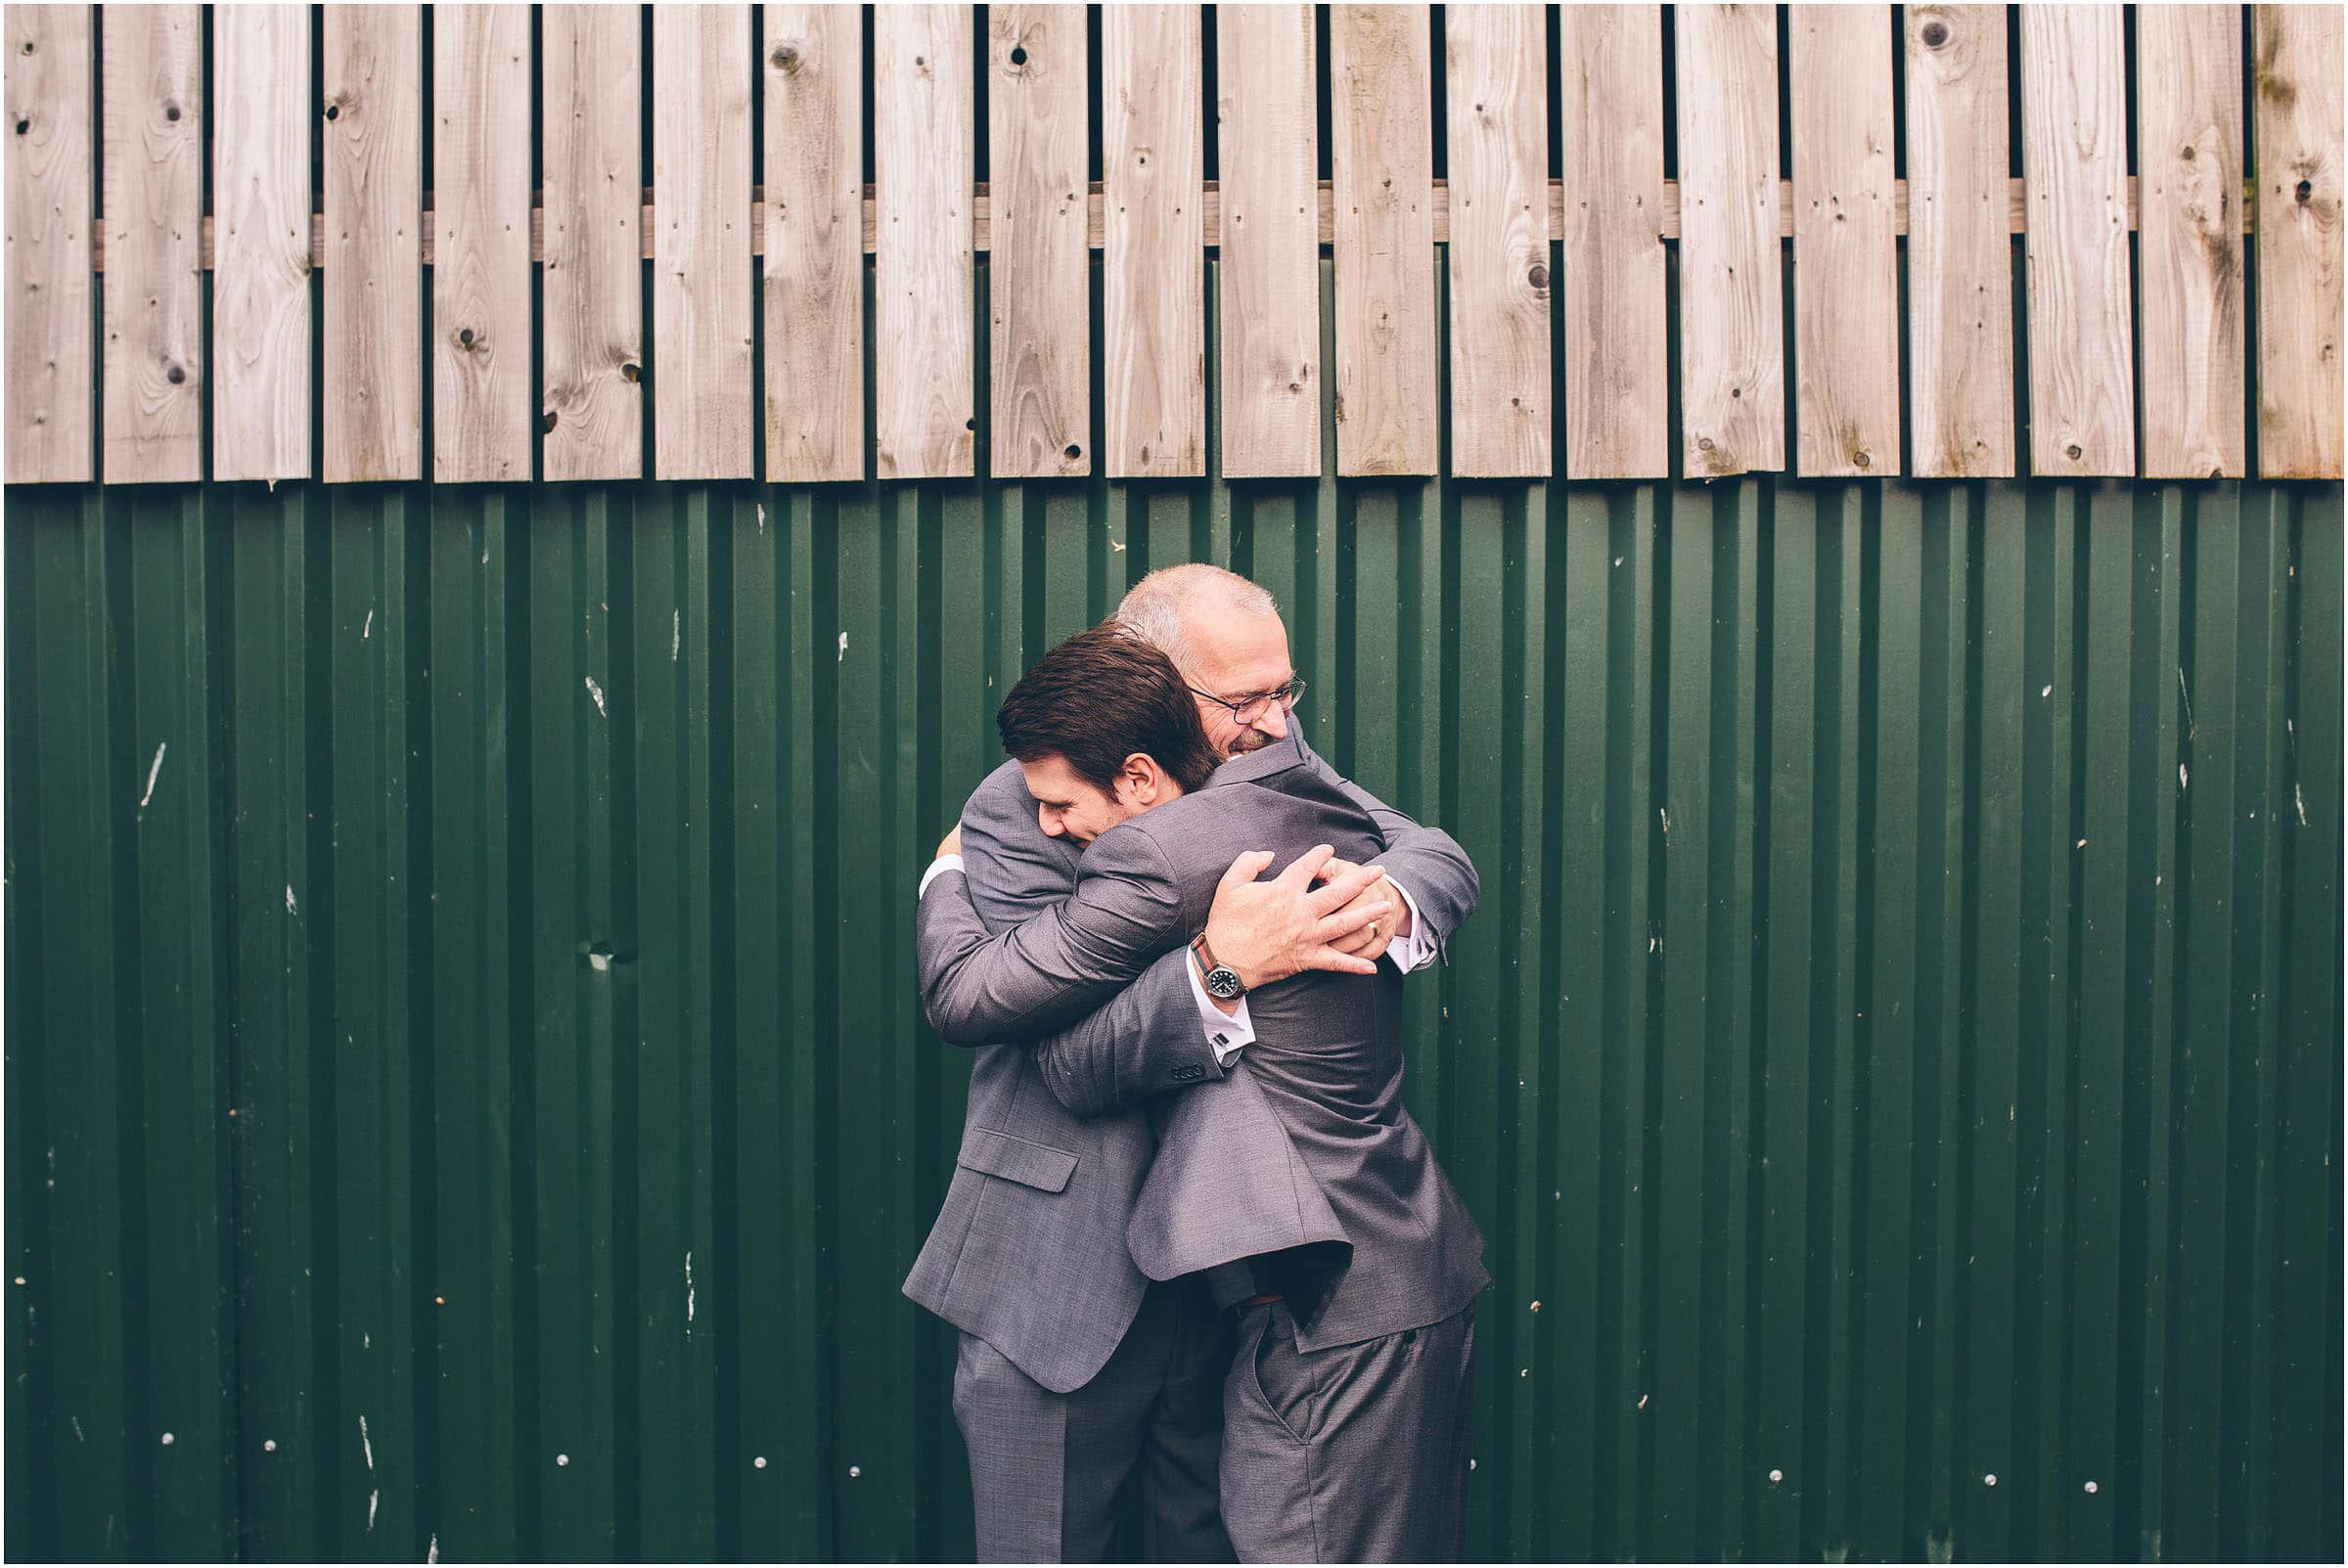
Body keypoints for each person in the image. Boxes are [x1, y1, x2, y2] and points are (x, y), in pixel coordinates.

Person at [904, 564, 1476, 1563]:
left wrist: (1391, 898)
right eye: (1247, 699)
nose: (1275, 725)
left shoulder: (1254, 751)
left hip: (1221, 1270)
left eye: (1285, 691)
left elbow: (1422, 846)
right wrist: (1221, 966)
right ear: (1149, 686)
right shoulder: (1029, 800)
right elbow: (1013, 1014)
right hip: (1058, 1263)